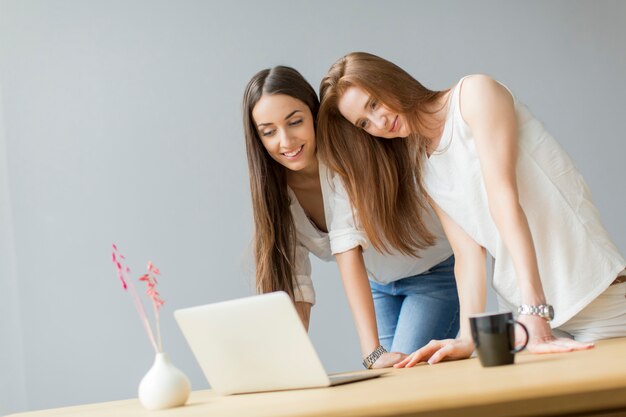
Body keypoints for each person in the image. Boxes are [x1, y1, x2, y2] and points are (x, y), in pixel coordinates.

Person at [316, 52, 626, 366]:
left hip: (593, 300)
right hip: (526, 323)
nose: (379, 123)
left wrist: (535, 310)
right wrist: (466, 336)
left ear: (389, 80)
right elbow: (466, 254)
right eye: (364, 123)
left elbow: (503, 198)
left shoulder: (474, 95)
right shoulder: (422, 164)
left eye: (374, 103)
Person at [242, 66, 461, 368]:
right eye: (269, 132)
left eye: (295, 122)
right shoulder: (277, 196)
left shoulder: (341, 158)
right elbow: (296, 286)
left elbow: (348, 249)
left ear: (314, 115)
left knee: (399, 387)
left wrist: (371, 353)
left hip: (430, 275)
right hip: (380, 287)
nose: (286, 141)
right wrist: (286, 368)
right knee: (395, 394)